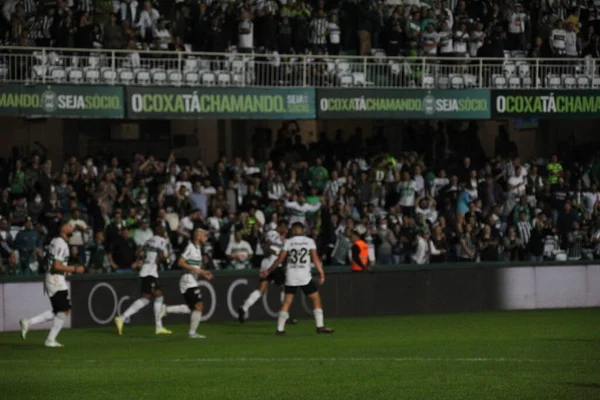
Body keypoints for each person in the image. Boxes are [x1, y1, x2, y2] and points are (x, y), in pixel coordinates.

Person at [19, 221, 85, 347]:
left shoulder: (57, 241)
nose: (72, 228)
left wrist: (66, 270)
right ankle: (50, 340)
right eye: (70, 225)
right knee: (64, 310)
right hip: (55, 279)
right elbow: (56, 266)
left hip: (55, 278)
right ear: (63, 228)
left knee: (58, 311)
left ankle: (28, 322)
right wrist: (74, 269)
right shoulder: (60, 243)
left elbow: (54, 263)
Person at [260, 222, 333, 335]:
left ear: (293, 230)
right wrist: (321, 272)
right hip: (305, 276)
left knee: (287, 302)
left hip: (291, 275)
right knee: (316, 299)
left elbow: (279, 259)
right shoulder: (309, 241)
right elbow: (315, 259)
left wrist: (268, 271)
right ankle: (320, 326)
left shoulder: (288, 242)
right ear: (302, 230)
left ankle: (280, 329)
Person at [114, 224, 172, 335]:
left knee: (146, 299)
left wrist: (143, 260)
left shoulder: (149, 240)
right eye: (163, 230)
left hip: (147, 271)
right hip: (150, 272)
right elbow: (160, 256)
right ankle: (158, 327)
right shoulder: (161, 240)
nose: (164, 232)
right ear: (160, 231)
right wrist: (167, 258)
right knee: (159, 296)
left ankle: (122, 318)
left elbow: (138, 252)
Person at [238, 219, 297, 324]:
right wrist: (272, 251)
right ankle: (285, 315)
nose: (287, 230)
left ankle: (244, 307)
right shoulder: (273, 234)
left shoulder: (283, 239)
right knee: (284, 288)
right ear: (281, 227)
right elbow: (265, 245)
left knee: (262, 290)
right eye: (286, 228)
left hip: (266, 264)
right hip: (273, 264)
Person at [160, 229, 213, 339]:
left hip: (192, 279)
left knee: (193, 308)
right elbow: (180, 262)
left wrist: (203, 273)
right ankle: (192, 333)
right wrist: (195, 269)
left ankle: (166, 309)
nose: (206, 238)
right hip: (187, 279)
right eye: (205, 236)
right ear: (198, 237)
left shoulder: (198, 248)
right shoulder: (190, 247)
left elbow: (196, 268)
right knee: (199, 305)